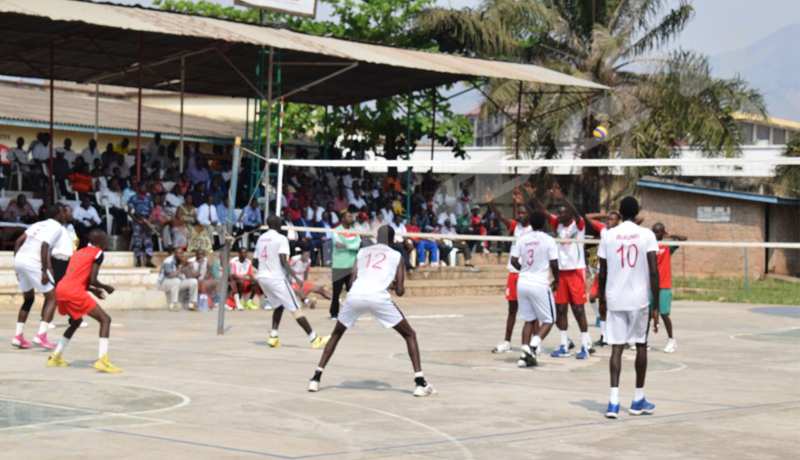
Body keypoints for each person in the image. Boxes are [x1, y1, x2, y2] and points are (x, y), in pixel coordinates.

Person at [308, 225, 436, 397]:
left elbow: (352, 282)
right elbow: (400, 291)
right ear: (392, 240)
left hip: (355, 295)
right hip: (377, 297)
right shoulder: (396, 255)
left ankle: (316, 378)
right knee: (410, 335)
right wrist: (391, 285)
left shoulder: (362, 252)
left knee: (336, 334)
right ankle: (420, 383)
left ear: (377, 237)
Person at [598, 197, 660, 419]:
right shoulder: (647, 235)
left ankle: (613, 402)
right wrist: (657, 306)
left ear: (620, 213)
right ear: (637, 213)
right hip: (638, 300)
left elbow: (602, 272)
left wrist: (601, 300)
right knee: (640, 345)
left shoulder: (608, 235)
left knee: (616, 347)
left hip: (615, 298)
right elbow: (654, 271)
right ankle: (637, 399)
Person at [529, 182, 593, 359]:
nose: (558, 215)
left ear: (569, 214)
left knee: (578, 310)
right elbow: (543, 213)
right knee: (560, 310)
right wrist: (533, 197)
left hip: (576, 271)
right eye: (557, 213)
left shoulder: (578, 226)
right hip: (562, 273)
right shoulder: (558, 224)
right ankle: (564, 345)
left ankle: (585, 346)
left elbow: (577, 214)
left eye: (561, 212)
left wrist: (563, 197)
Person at [47, 229, 120, 373]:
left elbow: (77, 275)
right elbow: (93, 279)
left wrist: (92, 290)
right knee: (105, 319)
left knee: (76, 321)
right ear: (101, 241)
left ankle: (55, 356)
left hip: (61, 288)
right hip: (73, 291)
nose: (106, 242)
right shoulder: (98, 253)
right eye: (105, 240)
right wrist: (106, 287)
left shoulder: (78, 252)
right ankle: (102, 360)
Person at [255, 216, 330, 349]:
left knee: (278, 306)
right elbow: (284, 261)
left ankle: (273, 337)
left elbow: (255, 261)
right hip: (276, 278)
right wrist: (296, 278)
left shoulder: (261, 238)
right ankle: (314, 339)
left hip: (262, 277)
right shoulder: (281, 239)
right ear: (278, 224)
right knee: (296, 309)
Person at [486, 187, 534, 354]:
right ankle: (507, 341)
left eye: (523, 213)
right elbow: (501, 217)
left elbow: (537, 213)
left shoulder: (534, 229)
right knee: (511, 310)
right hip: (513, 273)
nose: (520, 216)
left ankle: (535, 343)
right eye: (519, 213)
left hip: (526, 274)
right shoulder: (516, 227)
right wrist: (491, 204)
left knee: (531, 311)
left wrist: (525, 201)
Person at [510, 210, 559, 368]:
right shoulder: (549, 240)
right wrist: (557, 279)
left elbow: (513, 260)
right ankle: (531, 347)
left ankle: (524, 358)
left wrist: (524, 269)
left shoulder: (522, 239)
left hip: (523, 282)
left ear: (530, 223)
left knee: (529, 319)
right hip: (539, 283)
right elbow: (554, 263)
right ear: (544, 223)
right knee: (550, 319)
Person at [11, 204, 63, 349]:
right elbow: (45, 246)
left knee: (29, 299)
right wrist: (44, 270)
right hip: (33, 261)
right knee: (53, 297)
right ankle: (41, 335)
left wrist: (17, 264)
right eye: (63, 212)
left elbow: (17, 242)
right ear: (58, 215)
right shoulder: (57, 227)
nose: (64, 215)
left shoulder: (38, 224)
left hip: (20, 260)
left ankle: (18, 336)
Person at [585, 211, 622, 347]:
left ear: (618, 220)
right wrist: (605, 215)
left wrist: (621, 214)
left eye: (612, 219)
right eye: (609, 219)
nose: (609, 221)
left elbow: (639, 218)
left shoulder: (621, 232)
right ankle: (604, 336)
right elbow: (588, 216)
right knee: (594, 298)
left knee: (612, 305)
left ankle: (618, 337)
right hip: (602, 271)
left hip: (614, 272)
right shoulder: (603, 229)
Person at [652, 223, 687, 354]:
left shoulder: (667, 246)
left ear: (663, 233)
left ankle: (671, 339)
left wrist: (671, 236)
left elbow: (683, 239)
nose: (655, 235)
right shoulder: (649, 245)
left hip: (664, 284)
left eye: (658, 232)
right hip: (650, 284)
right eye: (654, 232)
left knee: (664, 314)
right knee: (647, 314)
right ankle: (642, 340)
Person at [329, 211, 361, 320]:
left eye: (350, 215)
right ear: (342, 219)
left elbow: (358, 245)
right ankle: (334, 314)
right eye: (348, 216)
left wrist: (346, 244)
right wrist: (351, 244)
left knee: (352, 292)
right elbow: (338, 245)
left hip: (351, 265)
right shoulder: (336, 230)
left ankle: (352, 313)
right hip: (339, 264)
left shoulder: (354, 231)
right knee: (336, 291)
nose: (350, 217)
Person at [158, 247, 199, 311]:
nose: (181, 255)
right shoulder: (168, 261)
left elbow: (189, 276)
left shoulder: (181, 262)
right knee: (176, 281)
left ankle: (192, 304)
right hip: (164, 283)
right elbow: (172, 276)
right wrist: (181, 267)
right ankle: (173, 305)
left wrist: (190, 267)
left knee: (193, 281)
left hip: (177, 282)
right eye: (179, 253)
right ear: (174, 254)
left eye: (182, 253)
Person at [127, 181, 157, 267]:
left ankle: (148, 260)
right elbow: (130, 212)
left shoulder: (149, 198)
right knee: (137, 241)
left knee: (148, 241)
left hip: (147, 220)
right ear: (138, 188)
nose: (144, 189)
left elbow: (151, 211)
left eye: (145, 187)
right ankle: (138, 260)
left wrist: (149, 222)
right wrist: (138, 221)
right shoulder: (134, 198)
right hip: (138, 220)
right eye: (142, 187)